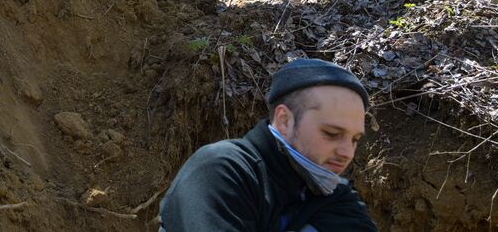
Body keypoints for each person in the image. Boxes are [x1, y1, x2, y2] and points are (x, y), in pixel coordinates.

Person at [159, 58, 376, 231]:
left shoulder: (335, 194)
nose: (347, 152)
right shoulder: (221, 170)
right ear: (285, 120)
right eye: (332, 133)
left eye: (355, 139)